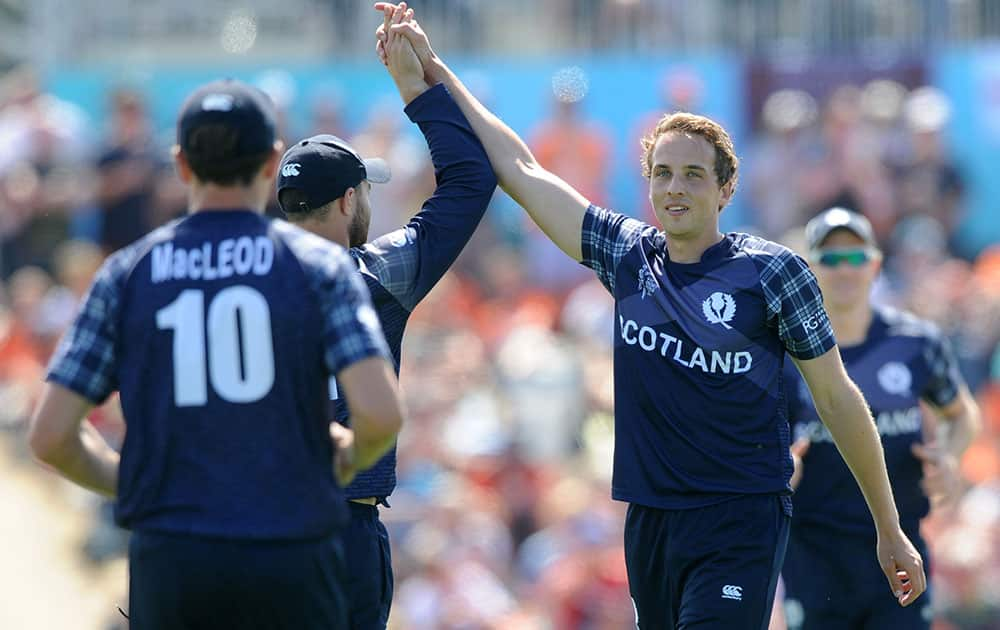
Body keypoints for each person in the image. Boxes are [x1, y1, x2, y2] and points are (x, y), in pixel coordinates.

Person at [375, 4, 927, 628]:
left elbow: (837, 396)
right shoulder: (628, 256)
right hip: (651, 519)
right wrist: (433, 72)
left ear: (725, 189)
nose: (675, 188)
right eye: (663, 173)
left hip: (740, 515)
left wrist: (890, 526)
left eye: (694, 175)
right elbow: (522, 170)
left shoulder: (773, 273)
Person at [27, 78, 406, 630]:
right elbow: (381, 415)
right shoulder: (320, 268)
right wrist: (336, 461)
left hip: (175, 557)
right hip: (292, 549)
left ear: (181, 165)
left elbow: (51, 437)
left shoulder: (128, 272)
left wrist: (142, 482)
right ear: (272, 162)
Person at [275, 18, 496, 629]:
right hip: (342, 530)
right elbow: (471, 179)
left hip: (254, 529)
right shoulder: (375, 275)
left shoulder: (240, 283)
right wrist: (415, 87)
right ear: (349, 200)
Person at [778, 207, 980, 630]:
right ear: (809, 269)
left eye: (855, 257)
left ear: (875, 264)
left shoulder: (915, 343)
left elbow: (961, 414)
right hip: (815, 555)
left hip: (902, 549)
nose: (844, 270)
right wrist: (775, 467)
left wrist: (949, 455)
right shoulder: (783, 354)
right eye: (830, 259)